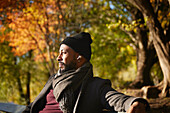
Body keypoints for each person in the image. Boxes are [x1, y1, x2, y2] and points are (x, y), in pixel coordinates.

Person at [23, 32, 150, 113]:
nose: (58, 58)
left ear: (79, 58)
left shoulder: (95, 86)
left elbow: (116, 99)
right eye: (59, 53)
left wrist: (134, 103)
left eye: (64, 53)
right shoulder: (53, 79)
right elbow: (33, 106)